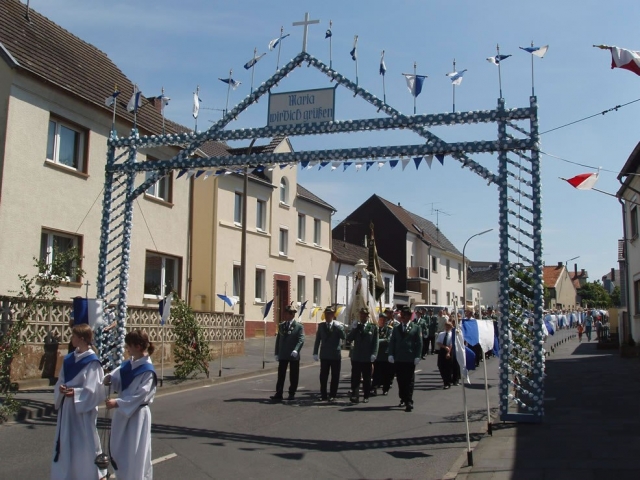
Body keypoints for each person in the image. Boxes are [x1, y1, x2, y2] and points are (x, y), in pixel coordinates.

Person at [51, 324, 107, 480]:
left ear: (81, 339)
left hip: (81, 409)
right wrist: (61, 388)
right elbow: (61, 379)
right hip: (67, 408)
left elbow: (94, 389)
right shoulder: (69, 359)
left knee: (84, 442)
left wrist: (75, 392)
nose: (71, 339)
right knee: (66, 441)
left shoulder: (92, 362)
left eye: (74, 336)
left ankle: (88, 474)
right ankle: (67, 474)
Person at [104, 329, 157, 480]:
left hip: (137, 416)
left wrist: (118, 402)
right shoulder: (129, 363)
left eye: (129, 345)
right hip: (123, 413)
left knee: (135, 452)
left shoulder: (147, 371)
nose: (126, 348)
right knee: (119, 450)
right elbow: (116, 376)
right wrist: (109, 379)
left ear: (138, 347)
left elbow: (140, 396)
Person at [388, 305, 422, 412]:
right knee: (400, 380)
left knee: (409, 380)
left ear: (409, 316)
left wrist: (417, 356)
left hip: (410, 358)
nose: (403, 317)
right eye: (402, 315)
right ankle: (403, 397)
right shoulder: (396, 328)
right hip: (399, 358)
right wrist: (390, 354)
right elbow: (392, 342)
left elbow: (419, 344)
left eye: (405, 315)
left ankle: (409, 401)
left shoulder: (416, 328)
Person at [271, 304, 305, 402]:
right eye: (287, 313)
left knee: (293, 375)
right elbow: (278, 340)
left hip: (293, 354)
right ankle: (279, 393)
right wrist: (277, 352)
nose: (288, 315)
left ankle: (291, 393)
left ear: (293, 315)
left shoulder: (299, 326)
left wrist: (296, 350)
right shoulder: (282, 326)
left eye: (291, 313)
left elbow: (301, 339)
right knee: (281, 375)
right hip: (283, 354)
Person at [313, 306, 346, 402]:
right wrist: (315, 352)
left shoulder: (337, 326)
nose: (328, 316)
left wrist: (340, 328)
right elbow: (317, 340)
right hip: (325, 355)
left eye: (330, 314)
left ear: (333, 315)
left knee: (335, 376)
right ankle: (323, 395)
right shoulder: (321, 326)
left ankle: (333, 395)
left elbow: (343, 337)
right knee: (323, 376)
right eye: (327, 314)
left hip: (335, 355)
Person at [346, 307, 379, 403]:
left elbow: (375, 342)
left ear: (367, 316)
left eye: (364, 315)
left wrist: (374, 354)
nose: (362, 316)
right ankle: (355, 396)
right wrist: (354, 329)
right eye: (361, 314)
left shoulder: (373, 327)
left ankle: (366, 395)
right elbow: (349, 339)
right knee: (355, 377)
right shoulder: (357, 327)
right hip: (356, 356)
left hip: (367, 357)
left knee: (367, 378)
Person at [372, 313, 394, 396]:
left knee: (386, 374)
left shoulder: (389, 329)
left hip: (385, 354)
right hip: (377, 354)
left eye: (384, 320)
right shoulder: (375, 328)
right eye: (381, 319)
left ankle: (386, 389)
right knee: (375, 373)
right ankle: (374, 388)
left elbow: (388, 340)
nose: (382, 321)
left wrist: (377, 341)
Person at [436, 321, 454, 389]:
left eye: (449, 326)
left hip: (450, 350)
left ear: (451, 327)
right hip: (442, 350)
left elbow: (452, 344)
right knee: (440, 365)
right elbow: (438, 342)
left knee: (448, 367)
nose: (447, 327)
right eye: (446, 326)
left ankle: (447, 383)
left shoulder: (452, 334)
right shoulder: (441, 334)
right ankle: (445, 380)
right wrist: (444, 347)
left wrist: (448, 352)